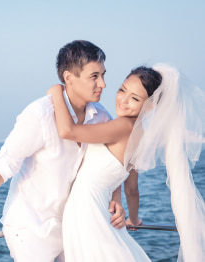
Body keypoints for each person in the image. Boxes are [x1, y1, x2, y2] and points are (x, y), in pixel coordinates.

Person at [0, 40, 126, 262]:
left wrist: (116, 198)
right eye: (94, 76)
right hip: (29, 228)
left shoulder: (101, 116)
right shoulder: (39, 115)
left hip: (72, 228)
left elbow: (110, 164)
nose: (103, 84)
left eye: (103, 75)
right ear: (69, 78)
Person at [48, 63, 205, 261]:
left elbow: (68, 131)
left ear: (150, 106)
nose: (124, 100)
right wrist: (133, 217)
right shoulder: (140, 135)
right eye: (122, 90)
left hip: (86, 213)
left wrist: (56, 92)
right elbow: (132, 189)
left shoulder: (123, 126)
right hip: (97, 211)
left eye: (135, 98)